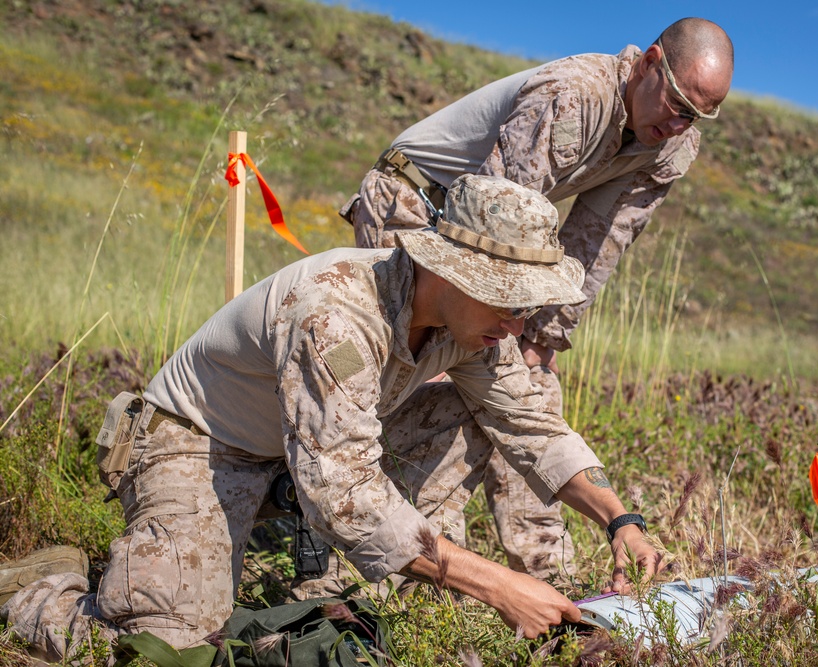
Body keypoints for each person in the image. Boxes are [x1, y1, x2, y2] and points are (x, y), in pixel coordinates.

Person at [0, 174, 662, 663]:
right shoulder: (335, 314)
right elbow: (343, 493)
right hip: (199, 443)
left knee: (475, 409)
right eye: (512, 303)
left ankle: (384, 582)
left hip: (300, 456)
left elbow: (532, 425)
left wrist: (620, 519)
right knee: (165, 650)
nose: (522, 323)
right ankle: (44, 593)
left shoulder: (473, 326)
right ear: (454, 274)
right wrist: (500, 586)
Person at [338, 17, 734, 579]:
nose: (678, 123)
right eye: (675, 102)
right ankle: (378, 541)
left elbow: (598, 240)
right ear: (649, 63)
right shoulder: (573, 96)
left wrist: (543, 337)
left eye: (696, 115)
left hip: (494, 232)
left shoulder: (670, 148)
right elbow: (500, 218)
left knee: (529, 384)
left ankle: (550, 571)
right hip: (417, 204)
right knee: (424, 373)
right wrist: (491, 335)